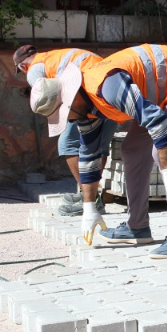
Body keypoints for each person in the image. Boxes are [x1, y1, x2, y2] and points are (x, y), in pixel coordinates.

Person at [28, 44, 167, 259]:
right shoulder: (86, 110)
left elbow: (156, 121)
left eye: (64, 113)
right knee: (133, 150)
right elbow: (89, 155)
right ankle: (138, 227)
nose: (67, 119)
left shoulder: (106, 85)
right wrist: (89, 207)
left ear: (71, 99)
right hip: (159, 93)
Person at [14, 45, 104, 218]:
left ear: (23, 66)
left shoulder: (34, 70)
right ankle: (93, 196)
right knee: (100, 144)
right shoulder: (53, 56)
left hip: (85, 98)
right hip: (106, 87)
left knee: (68, 144)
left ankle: (91, 198)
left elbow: (45, 96)